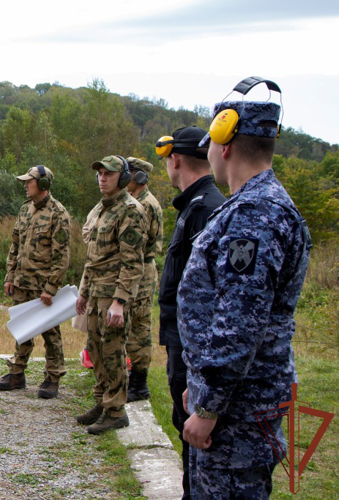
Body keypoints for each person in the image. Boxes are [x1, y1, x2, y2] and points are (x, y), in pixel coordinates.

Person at [178, 78, 311, 498]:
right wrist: (201, 383)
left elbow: (239, 324)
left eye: (211, 144)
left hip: (238, 412)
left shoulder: (254, 215)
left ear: (225, 143)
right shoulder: (255, 205)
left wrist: (209, 405)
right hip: (236, 401)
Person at [155, 126, 226, 500]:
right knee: (183, 425)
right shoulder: (193, 205)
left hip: (193, 346)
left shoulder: (207, 209)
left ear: (175, 158)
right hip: (181, 341)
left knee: (195, 432)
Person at [75, 155, 147, 435]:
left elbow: (133, 262)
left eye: (109, 173)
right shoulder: (102, 208)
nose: (103, 178)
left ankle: (116, 410)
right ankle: (102, 402)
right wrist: (83, 293)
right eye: (100, 173)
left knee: (113, 351)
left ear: (124, 177)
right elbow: (93, 257)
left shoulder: (130, 210)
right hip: (95, 290)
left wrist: (119, 301)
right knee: (95, 348)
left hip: (113, 293)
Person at [0, 165, 71, 399]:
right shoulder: (25, 209)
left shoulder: (58, 213)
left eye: (29, 181)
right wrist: (10, 275)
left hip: (43, 285)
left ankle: (53, 377)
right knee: (22, 327)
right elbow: (15, 245)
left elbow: (62, 256)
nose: (25, 185)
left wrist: (51, 287)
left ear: (43, 185)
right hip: (22, 280)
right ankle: (17, 373)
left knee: (50, 331)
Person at [125, 157, 163, 402]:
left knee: (138, 327)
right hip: (137, 269)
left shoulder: (146, 204)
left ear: (137, 177)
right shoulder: (137, 201)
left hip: (141, 271)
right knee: (132, 326)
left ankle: (139, 384)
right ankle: (134, 379)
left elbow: (137, 243)